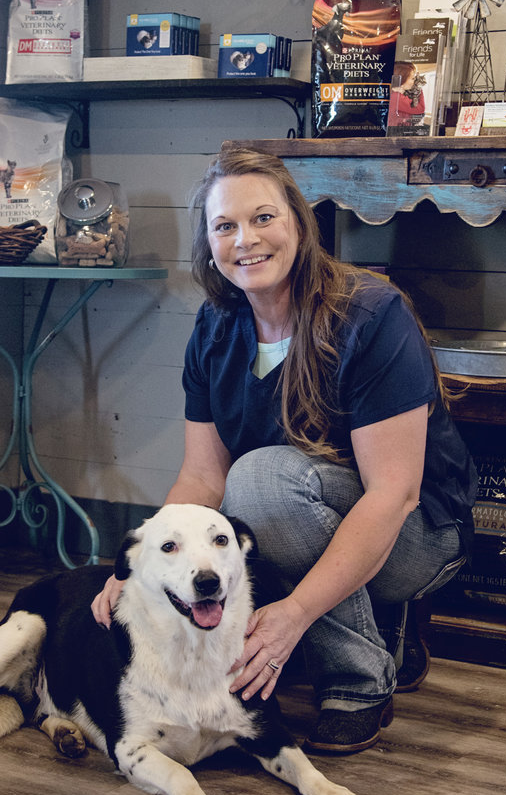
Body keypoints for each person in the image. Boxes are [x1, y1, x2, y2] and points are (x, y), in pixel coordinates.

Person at [91, 147, 477, 755]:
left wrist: (294, 614)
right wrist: (136, 572)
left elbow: (394, 494)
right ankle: (379, 630)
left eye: (263, 218)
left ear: (298, 222)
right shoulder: (216, 327)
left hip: (423, 533)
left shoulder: (372, 314)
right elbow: (199, 477)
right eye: (225, 226)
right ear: (209, 243)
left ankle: (359, 680)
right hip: (317, 514)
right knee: (252, 493)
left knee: (263, 485)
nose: (246, 240)